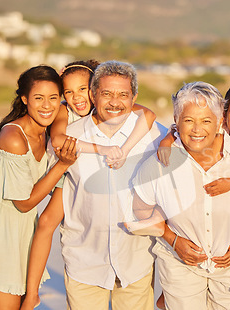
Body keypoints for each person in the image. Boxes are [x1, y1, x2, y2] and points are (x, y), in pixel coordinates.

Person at [24, 60, 165, 310]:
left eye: (123, 94)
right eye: (106, 94)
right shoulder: (71, 138)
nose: (115, 101)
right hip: (84, 263)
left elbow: (190, 146)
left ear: (134, 98)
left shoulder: (152, 135)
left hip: (136, 262)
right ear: (94, 95)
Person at [130, 81, 230, 310]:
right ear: (176, 120)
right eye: (189, 120)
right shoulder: (161, 162)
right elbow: (139, 209)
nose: (197, 129)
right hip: (179, 264)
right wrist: (172, 239)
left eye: (206, 120)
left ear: (220, 122)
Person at [0, 65, 78, 310]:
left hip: (26, 231)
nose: (47, 105)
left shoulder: (48, 134)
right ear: (24, 99)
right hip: (1, 233)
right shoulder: (13, 137)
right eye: (38, 98)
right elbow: (24, 202)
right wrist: (62, 165)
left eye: (53, 98)